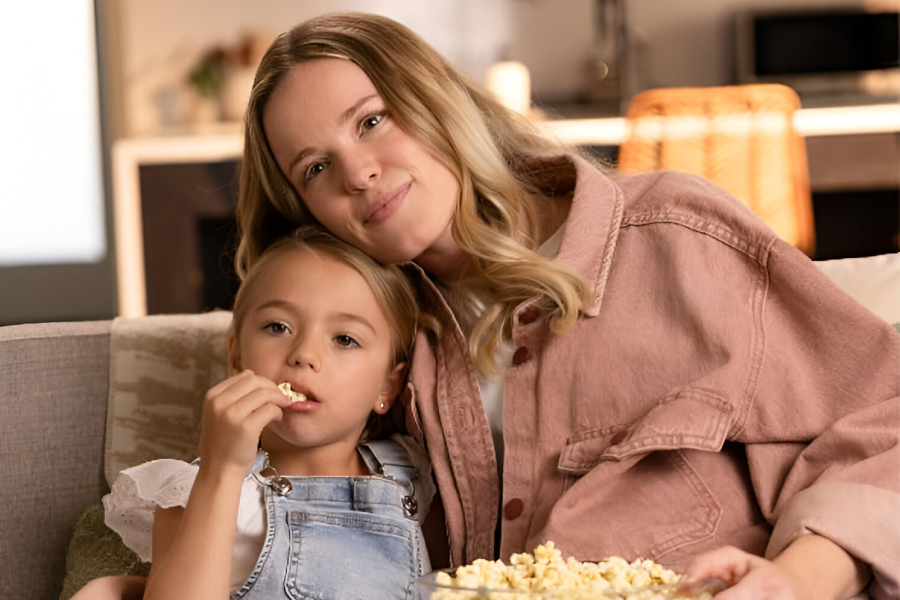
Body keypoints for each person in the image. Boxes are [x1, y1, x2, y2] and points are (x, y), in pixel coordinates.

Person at [231, 11, 900, 600]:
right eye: (315, 168)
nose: (358, 173)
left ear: (432, 96)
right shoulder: (373, 347)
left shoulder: (676, 238)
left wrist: (804, 579)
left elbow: (885, 418)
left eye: (372, 121)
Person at [74, 226, 433, 600]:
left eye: (345, 339)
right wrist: (221, 470)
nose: (304, 354)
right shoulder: (199, 490)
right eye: (278, 327)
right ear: (236, 357)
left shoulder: (413, 475)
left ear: (388, 386)